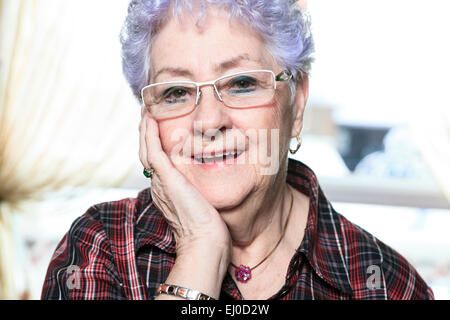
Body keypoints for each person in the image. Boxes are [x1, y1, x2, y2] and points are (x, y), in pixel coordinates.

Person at [41, 0, 434, 300]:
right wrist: (201, 247)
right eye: (176, 92)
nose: (209, 122)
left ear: (296, 103)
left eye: (242, 83)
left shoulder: (383, 281)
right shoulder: (98, 248)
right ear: (148, 119)